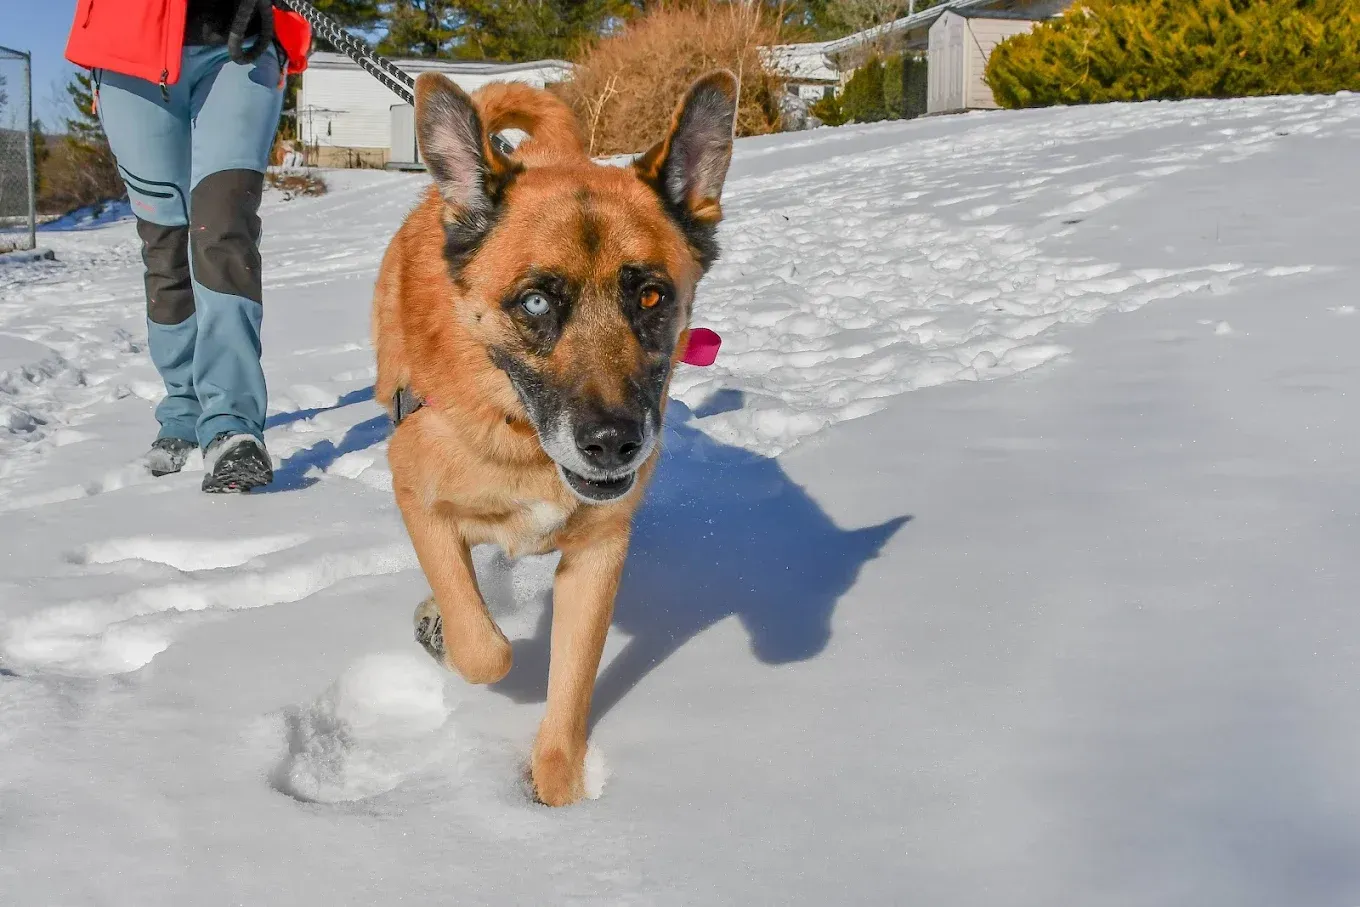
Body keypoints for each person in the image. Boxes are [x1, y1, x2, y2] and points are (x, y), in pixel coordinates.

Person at [64, 0, 312, 491]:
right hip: (128, 47)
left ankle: (232, 425)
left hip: (244, 41)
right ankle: (183, 408)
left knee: (223, 227)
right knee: (166, 242)